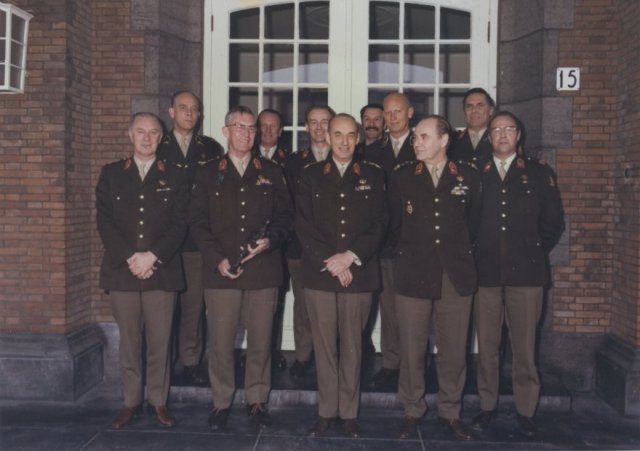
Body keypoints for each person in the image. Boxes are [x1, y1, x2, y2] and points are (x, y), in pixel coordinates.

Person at [189, 106, 294, 430]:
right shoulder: (208, 172)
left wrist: (271, 240)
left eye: (251, 128)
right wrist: (216, 259)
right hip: (221, 272)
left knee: (261, 341)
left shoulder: (272, 171)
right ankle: (221, 401)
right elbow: (197, 222)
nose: (246, 133)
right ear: (226, 131)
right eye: (239, 127)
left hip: (263, 270)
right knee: (221, 342)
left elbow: (286, 218)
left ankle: (257, 400)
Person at [471, 111, 565, 438]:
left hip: (526, 274)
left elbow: (553, 223)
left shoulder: (538, 173)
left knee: (524, 348)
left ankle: (526, 410)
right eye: (496, 130)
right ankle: (487, 405)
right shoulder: (475, 172)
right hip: (485, 273)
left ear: (519, 135)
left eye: (508, 129)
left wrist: (532, 250)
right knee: (487, 347)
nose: (502, 135)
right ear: (488, 137)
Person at [388, 115, 482, 441]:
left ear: (444, 140)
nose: (416, 142)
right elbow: (393, 225)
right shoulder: (402, 176)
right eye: (415, 137)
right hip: (413, 272)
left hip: (455, 275)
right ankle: (412, 410)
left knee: (454, 349)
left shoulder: (468, 175)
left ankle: (450, 411)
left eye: (424, 136)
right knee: (412, 348)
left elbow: (475, 223)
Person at [295, 113, 388, 438]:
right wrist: (332, 262)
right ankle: (326, 411)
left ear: (358, 138)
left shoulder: (373, 174)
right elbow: (303, 224)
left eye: (350, 135)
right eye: (338, 134)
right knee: (324, 347)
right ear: (327, 137)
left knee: (353, 346)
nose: (344, 141)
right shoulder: (310, 175)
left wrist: (350, 257)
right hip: (321, 274)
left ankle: (349, 413)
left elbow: (380, 222)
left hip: (359, 273)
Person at [96, 112, 188, 429]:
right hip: (122, 271)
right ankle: (130, 401)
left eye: (153, 132)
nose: (147, 138)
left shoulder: (175, 175)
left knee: (161, 342)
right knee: (130, 342)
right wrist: (131, 258)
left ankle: (159, 401)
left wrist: (152, 257)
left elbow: (180, 223)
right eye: (141, 131)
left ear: (161, 138)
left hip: (161, 271)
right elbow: (104, 222)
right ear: (130, 135)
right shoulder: (111, 174)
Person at [156, 90, 223, 386]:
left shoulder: (210, 148)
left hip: (195, 242)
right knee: (163, 306)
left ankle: (191, 360)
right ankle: (163, 361)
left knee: (194, 305)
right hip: (163, 242)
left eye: (194, 108)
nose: (188, 113)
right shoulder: (158, 144)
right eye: (182, 107)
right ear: (171, 111)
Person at [362, 92, 417, 390]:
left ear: (410, 113)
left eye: (398, 111)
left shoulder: (422, 144)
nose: (392, 117)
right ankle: (391, 363)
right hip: (384, 243)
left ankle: (415, 364)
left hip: (416, 242)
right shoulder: (372, 152)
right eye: (388, 113)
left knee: (416, 309)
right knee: (389, 307)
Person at [284, 105, 336, 379]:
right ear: (306, 126)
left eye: (324, 122)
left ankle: (333, 357)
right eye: (313, 122)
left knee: (335, 306)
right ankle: (303, 356)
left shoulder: (345, 157)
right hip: (301, 248)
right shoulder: (294, 162)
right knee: (303, 305)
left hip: (336, 249)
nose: (318, 127)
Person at [449, 87, 495, 167]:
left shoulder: (499, 139)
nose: (474, 110)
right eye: (469, 106)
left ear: (490, 110)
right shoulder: (452, 141)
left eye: (480, 106)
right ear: (464, 112)